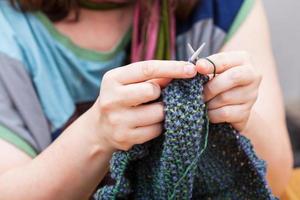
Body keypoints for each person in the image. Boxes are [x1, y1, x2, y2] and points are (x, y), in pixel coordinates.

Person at [0, 0, 293, 199]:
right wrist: (95, 136)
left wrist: (238, 114)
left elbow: (276, 180)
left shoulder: (222, 9)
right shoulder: (9, 34)